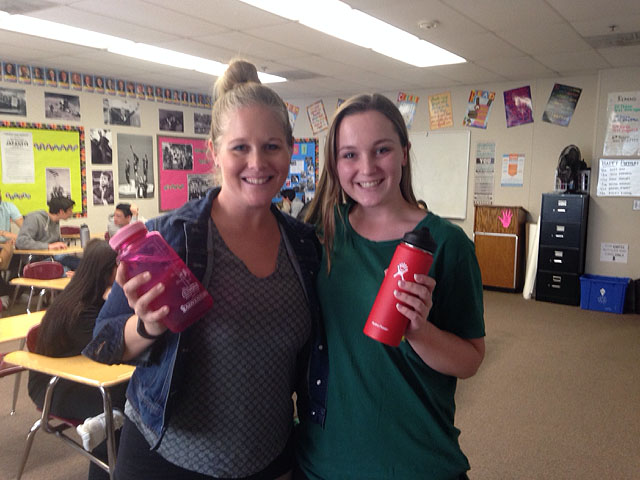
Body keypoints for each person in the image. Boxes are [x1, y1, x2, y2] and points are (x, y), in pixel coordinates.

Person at [83, 59, 325, 480]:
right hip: (166, 460)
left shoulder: (305, 247)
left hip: (267, 460)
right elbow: (103, 345)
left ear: (290, 148)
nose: (257, 162)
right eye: (240, 148)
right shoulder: (167, 238)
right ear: (213, 152)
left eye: (271, 146)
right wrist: (147, 327)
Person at [295, 93, 486, 480]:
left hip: (415, 460)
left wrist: (418, 331)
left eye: (381, 149)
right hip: (326, 460)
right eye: (349, 154)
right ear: (334, 163)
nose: (366, 167)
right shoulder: (321, 233)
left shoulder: (447, 244)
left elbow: (470, 360)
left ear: (403, 152)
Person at [28, 239, 127, 480]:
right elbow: (106, 349)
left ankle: (117, 457)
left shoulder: (90, 297)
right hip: (54, 386)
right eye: (121, 267)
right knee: (120, 409)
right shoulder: (79, 309)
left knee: (132, 397)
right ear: (106, 271)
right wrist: (116, 297)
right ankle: (107, 469)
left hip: (82, 376)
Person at [16, 196, 81, 271]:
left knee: (83, 265)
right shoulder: (34, 218)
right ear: (61, 212)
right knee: (66, 271)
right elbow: (21, 241)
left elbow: (54, 242)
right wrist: (48, 246)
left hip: (52, 256)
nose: (71, 212)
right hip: (36, 259)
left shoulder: (55, 221)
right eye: (70, 210)